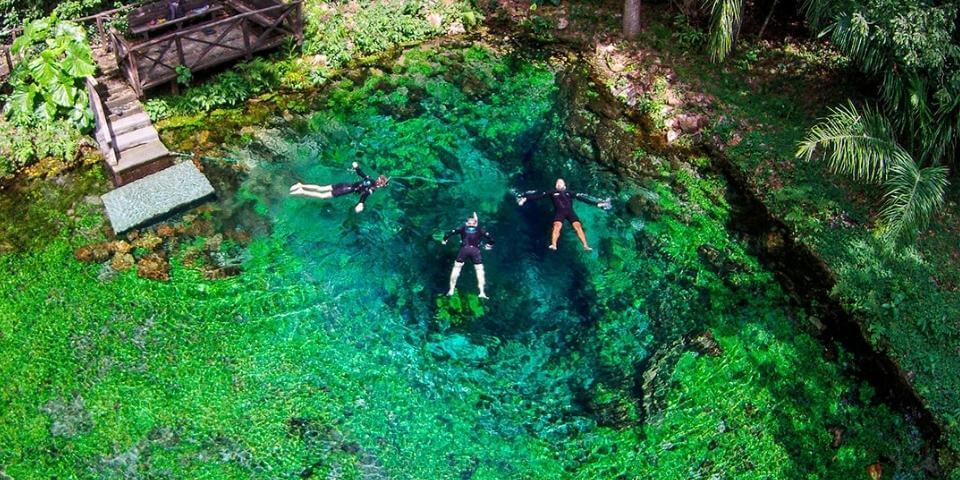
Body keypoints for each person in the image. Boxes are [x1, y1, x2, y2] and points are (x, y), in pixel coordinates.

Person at [517, 178, 611, 251]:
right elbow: (539, 196)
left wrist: (597, 204)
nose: (558, 184)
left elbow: (583, 199)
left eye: (560, 182)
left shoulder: (570, 193)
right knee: (557, 226)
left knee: (578, 227)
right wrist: (526, 199)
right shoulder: (552, 192)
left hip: (570, 213)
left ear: (564, 185)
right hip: (559, 213)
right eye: (557, 183)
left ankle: (585, 245)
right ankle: (554, 244)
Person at [290, 162, 388, 213]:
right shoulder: (372, 189)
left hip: (345, 184)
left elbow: (361, 174)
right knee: (322, 196)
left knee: (321, 188)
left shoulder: (370, 179)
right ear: (380, 184)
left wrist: (357, 167)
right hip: (347, 190)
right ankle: (302, 191)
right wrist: (361, 204)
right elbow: (365, 194)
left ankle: (301, 185)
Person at [442, 212, 494, 299]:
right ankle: (482, 292)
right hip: (475, 252)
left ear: (466, 223)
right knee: (479, 271)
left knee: (456, 269)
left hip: (464, 251)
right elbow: (491, 240)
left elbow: (450, 233)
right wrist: (488, 246)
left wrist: (445, 240)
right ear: (475, 223)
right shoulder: (480, 229)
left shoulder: (463, 228)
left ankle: (451, 290)